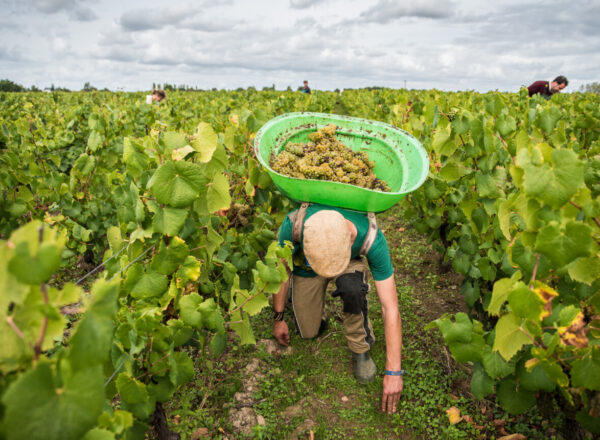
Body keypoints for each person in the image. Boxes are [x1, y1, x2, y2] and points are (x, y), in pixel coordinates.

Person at [272, 203, 404, 414]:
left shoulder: (370, 238)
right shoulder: (293, 226)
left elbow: (391, 308)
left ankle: (360, 349)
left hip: (348, 262)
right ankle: (310, 304)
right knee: (308, 332)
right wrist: (278, 317)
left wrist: (394, 372)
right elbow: (281, 271)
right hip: (308, 264)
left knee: (353, 289)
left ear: (350, 240)